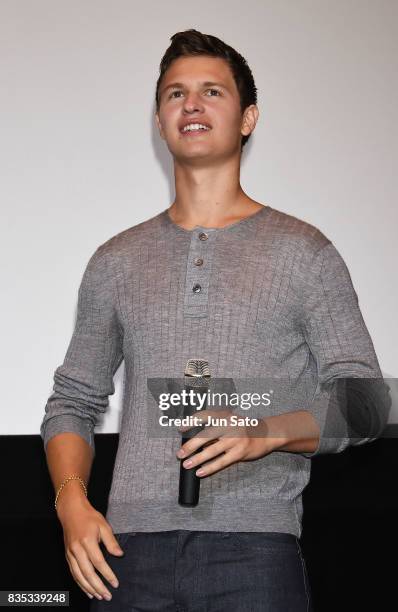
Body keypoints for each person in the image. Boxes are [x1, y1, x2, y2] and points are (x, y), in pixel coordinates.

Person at [40, 29, 390, 611]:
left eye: (211, 92)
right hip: (125, 557)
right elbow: (73, 400)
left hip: (256, 553)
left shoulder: (305, 251)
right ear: (159, 120)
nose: (192, 105)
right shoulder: (115, 260)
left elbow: (369, 402)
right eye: (175, 94)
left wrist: (264, 431)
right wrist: (72, 505)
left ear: (248, 117)